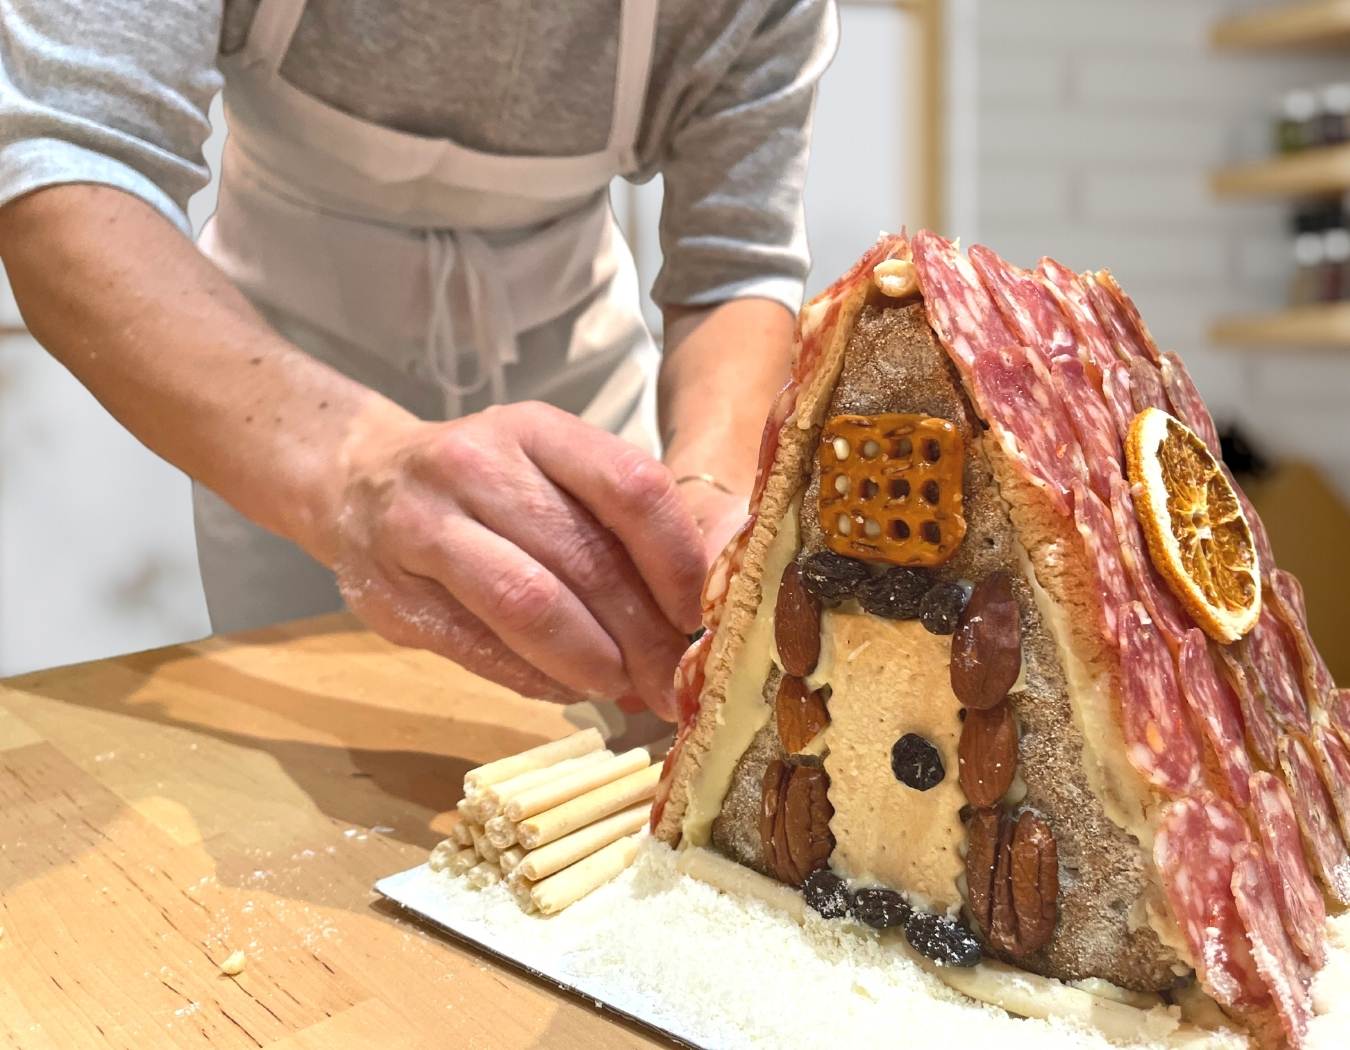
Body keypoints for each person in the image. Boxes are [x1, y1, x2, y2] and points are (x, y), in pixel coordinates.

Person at [0, 1, 835, 720]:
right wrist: (359, 475)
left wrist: (711, 495)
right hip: (279, 399)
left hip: (584, 396)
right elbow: (72, 160)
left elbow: (737, 265)